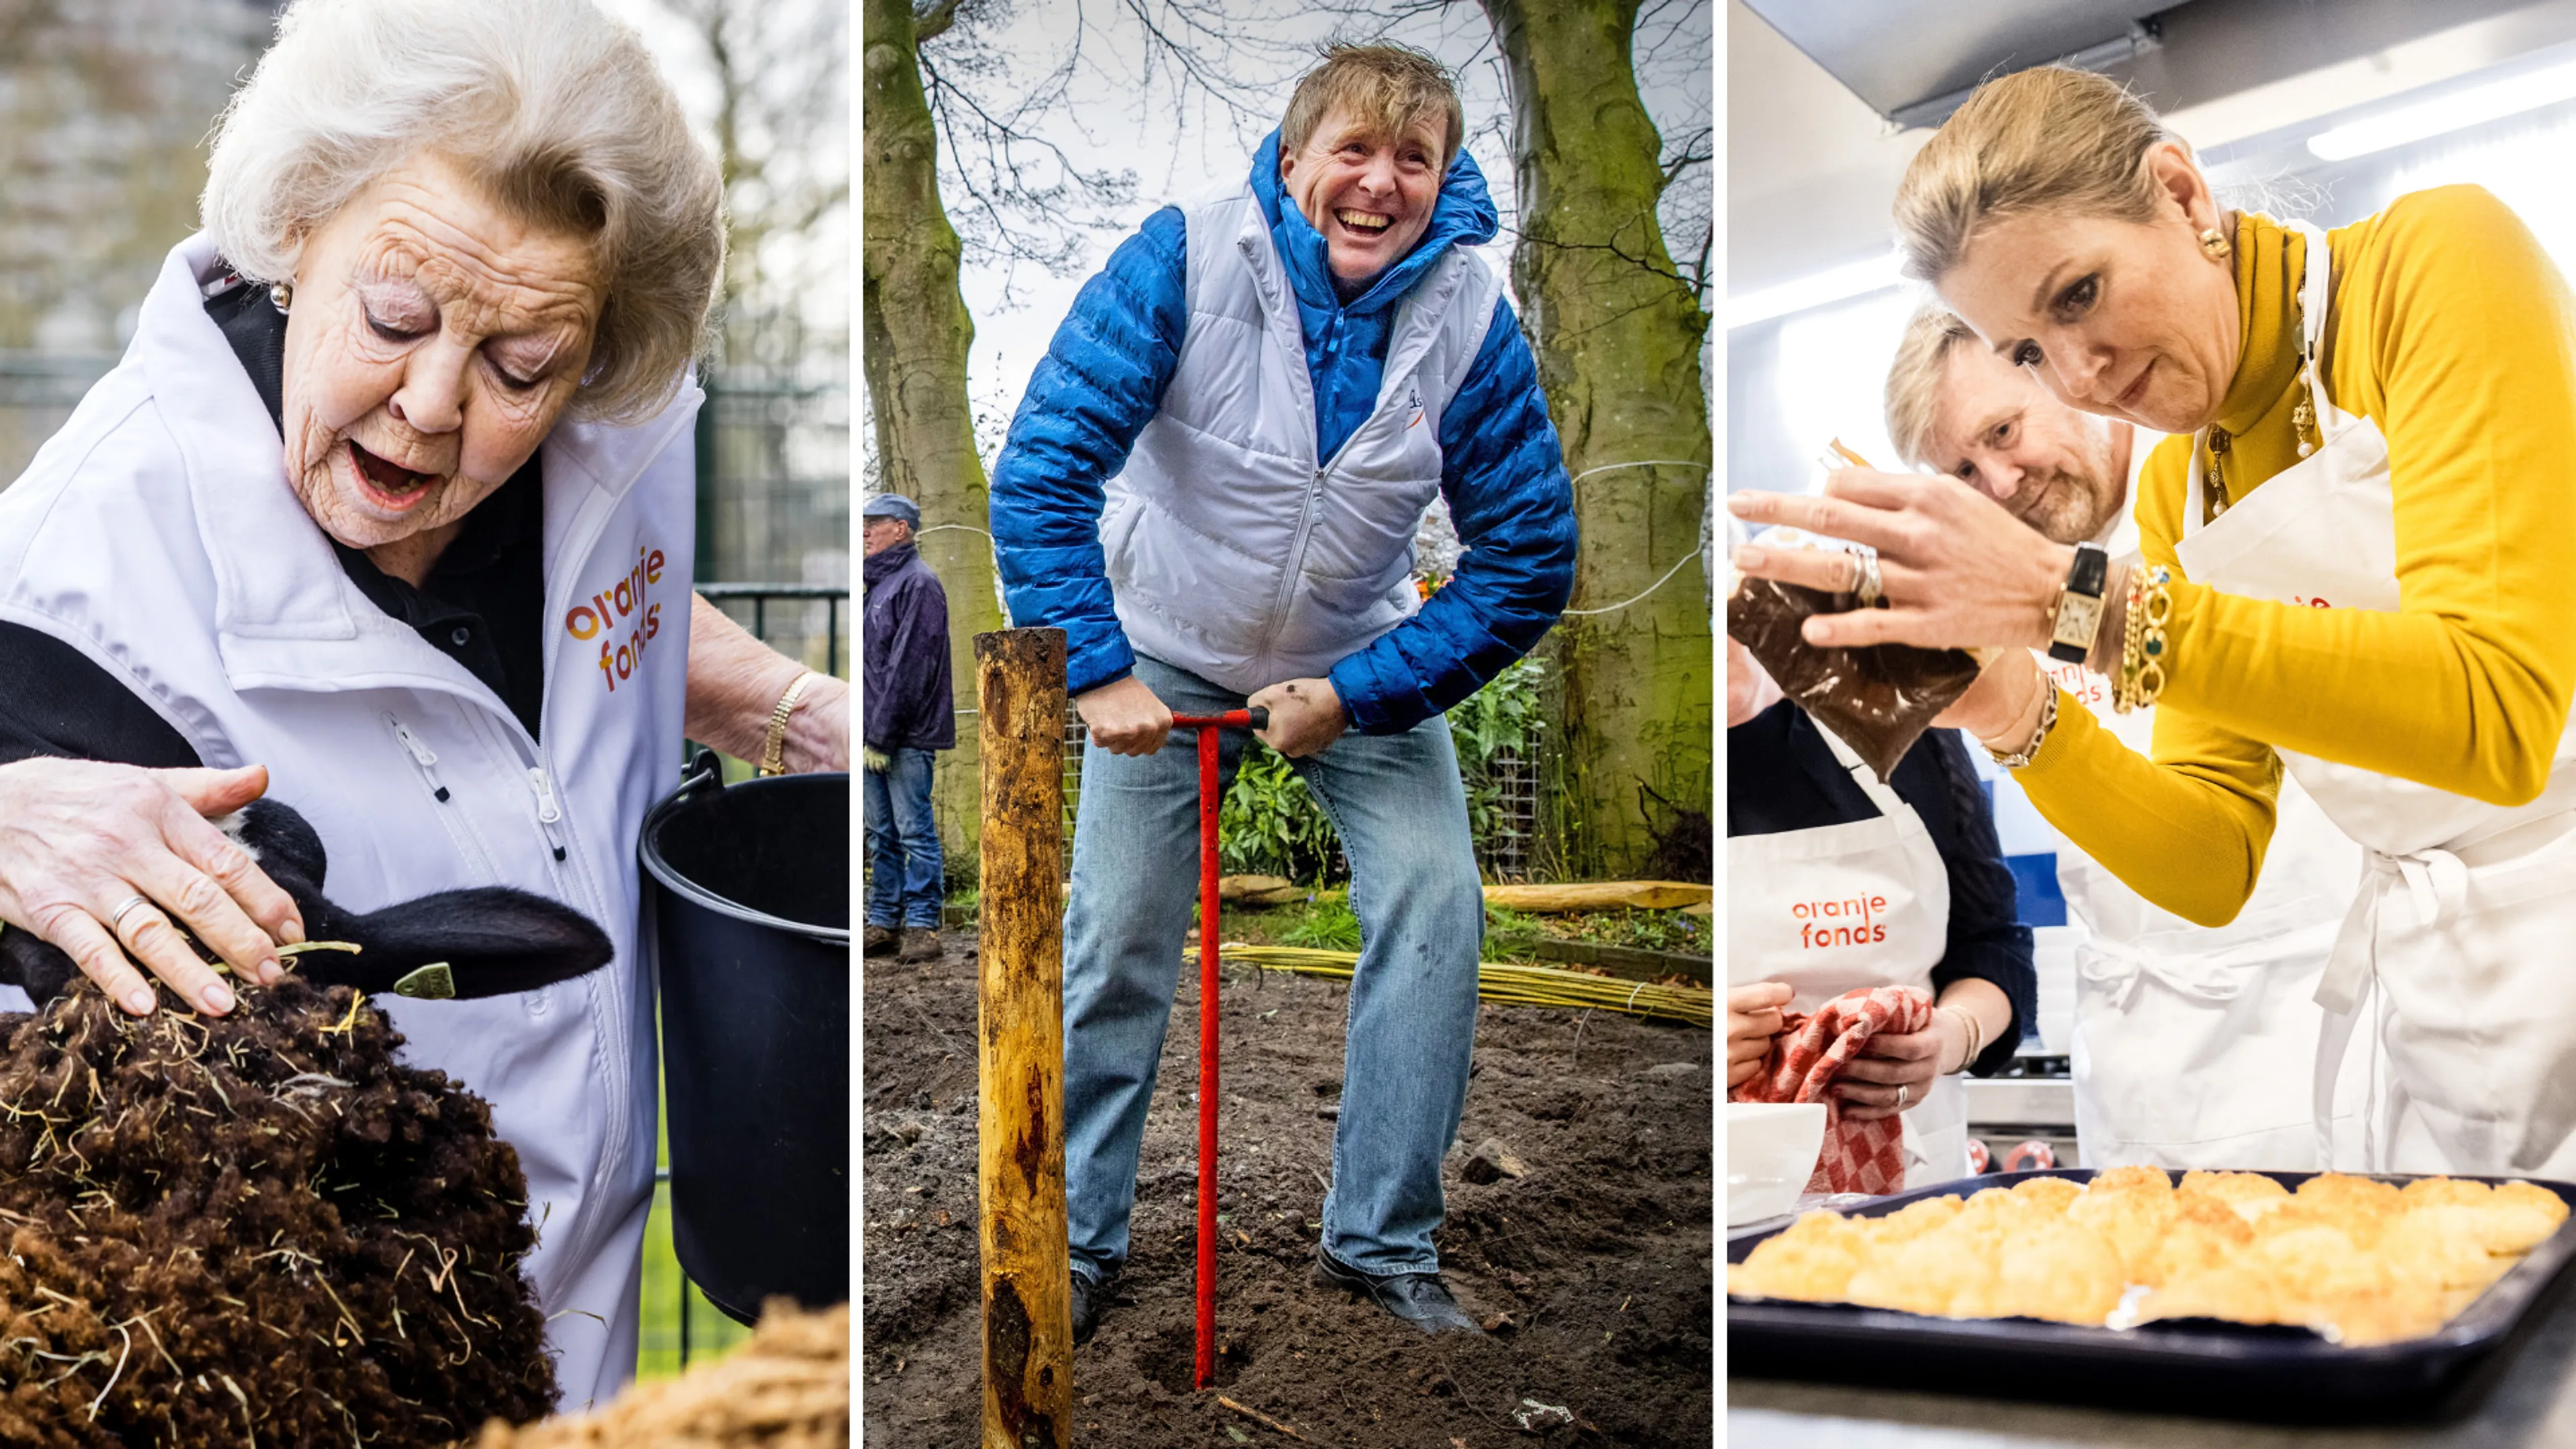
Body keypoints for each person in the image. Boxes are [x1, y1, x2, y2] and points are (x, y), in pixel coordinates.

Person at [0, 0, 846, 1405]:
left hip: (582, 1322)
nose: (436, 404)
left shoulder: (604, 445)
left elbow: (580, 592)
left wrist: (775, 699)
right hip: (307, 1364)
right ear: (295, 235)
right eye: (395, 319)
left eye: (523, 366)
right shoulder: (81, 572)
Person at [1731, 64, 2576, 1178]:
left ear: (2180, 194)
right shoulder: (2187, 489)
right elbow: (2213, 858)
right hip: (2432, 1022)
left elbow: (2498, 717)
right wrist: (2013, 709)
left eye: (2077, 293)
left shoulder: (2433, 263)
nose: (2080, 373)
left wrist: (2066, 607)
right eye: (2031, 349)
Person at [989, 43, 1576, 1341]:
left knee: (1437, 904)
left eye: (1412, 160)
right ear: (1296, 160)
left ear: (1445, 177)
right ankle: (1077, 1245)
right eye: (1352, 154)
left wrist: (1360, 694)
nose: (1379, 185)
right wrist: (1096, 668)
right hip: (1165, 648)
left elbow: (1530, 558)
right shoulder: (1188, 258)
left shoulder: (1472, 320)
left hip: (1353, 660)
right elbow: (1042, 469)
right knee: (1119, 934)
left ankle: (1380, 1245)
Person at [1884, 307, 2362, 1169]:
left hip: (2297, 1009)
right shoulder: (2010, 590)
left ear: (2061, 375)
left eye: (2004, 430)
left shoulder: (2215, 509)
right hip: (2133, 1052)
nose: (1999, 483)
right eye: (1964, 468)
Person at [1727, 631, 2035, 1187]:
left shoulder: (1902, 727)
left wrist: (1952, 1036)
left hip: (1915, 1177)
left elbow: (1995, 947)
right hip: (1736, 1177)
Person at [861, 491, 952, 963]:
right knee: (881, 834)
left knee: (914, 830)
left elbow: (910, 668)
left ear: (902, 529)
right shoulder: (878, 587)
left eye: (874, 523)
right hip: (872, 735)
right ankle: (883, 921)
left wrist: (881, 735)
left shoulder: (919, 585)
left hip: (905, 736)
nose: (864, 531)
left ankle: (922, 926)